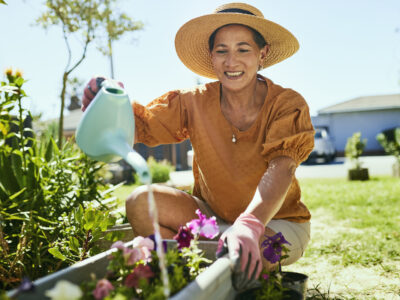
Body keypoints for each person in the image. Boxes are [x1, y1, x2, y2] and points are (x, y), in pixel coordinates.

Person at [82, 2, 314, 285]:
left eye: (243, 49)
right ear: (211, 57)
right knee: (140, 202)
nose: (231, 62)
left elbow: (282, 169)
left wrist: (250, 224)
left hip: (275, 221)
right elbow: (139, 127)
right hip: (212, 220)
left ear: (262, 54)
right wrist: (106, 104)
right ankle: (184, 279)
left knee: (244, 259)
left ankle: (229, 276)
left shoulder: (286, 104)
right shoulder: (192, 101)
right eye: (221, 51)